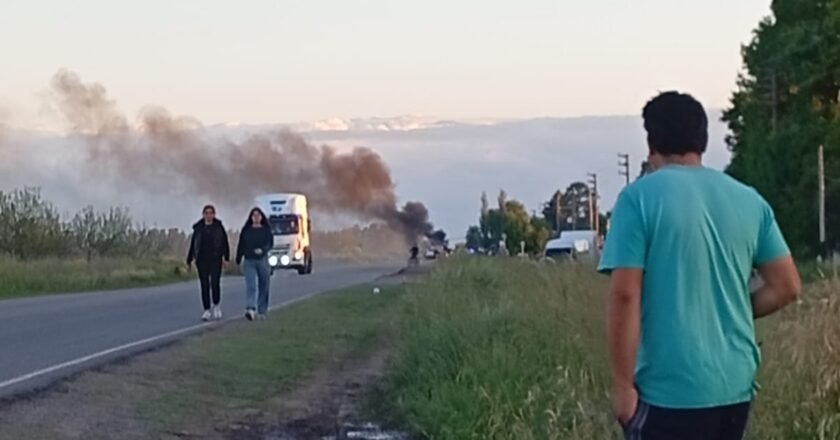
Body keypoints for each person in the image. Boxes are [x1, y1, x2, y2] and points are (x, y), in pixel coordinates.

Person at [598, 91, 801, 440]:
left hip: (669, 392)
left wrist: (622, 387)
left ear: (651, 141)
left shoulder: (638, 199)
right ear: (702, 140)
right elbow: (787, 286)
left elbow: (625, 296)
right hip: (734, 388)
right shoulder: (749, 200)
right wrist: (730, 308)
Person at [186, 204, 231, 321]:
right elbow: (193, 244)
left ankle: (216, 305)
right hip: (201, 260)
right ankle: (206, 310)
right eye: (206, 213)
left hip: (215, 259)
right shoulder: (198, 228)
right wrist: (189, 260)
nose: (209, 215)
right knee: (204, 285)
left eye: (211, 213)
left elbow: (224, 243)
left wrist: (226, 258)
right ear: (203, 214)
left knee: (215, 283)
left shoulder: (218, 227)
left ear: (214, 214)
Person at [235, 207, 273, 320]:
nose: (256, 217)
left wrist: (263, 250)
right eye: (254, 215)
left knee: (264, 284)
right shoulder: (246, 230)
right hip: (249, 260)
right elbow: (241, 245)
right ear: (251, 217)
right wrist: (238, 258)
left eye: (258, 215)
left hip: (262, 260)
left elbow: (270, 243)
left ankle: (262, 310)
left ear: (261, 217)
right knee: (251, 285)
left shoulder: (266, 230)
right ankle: (250, 308)